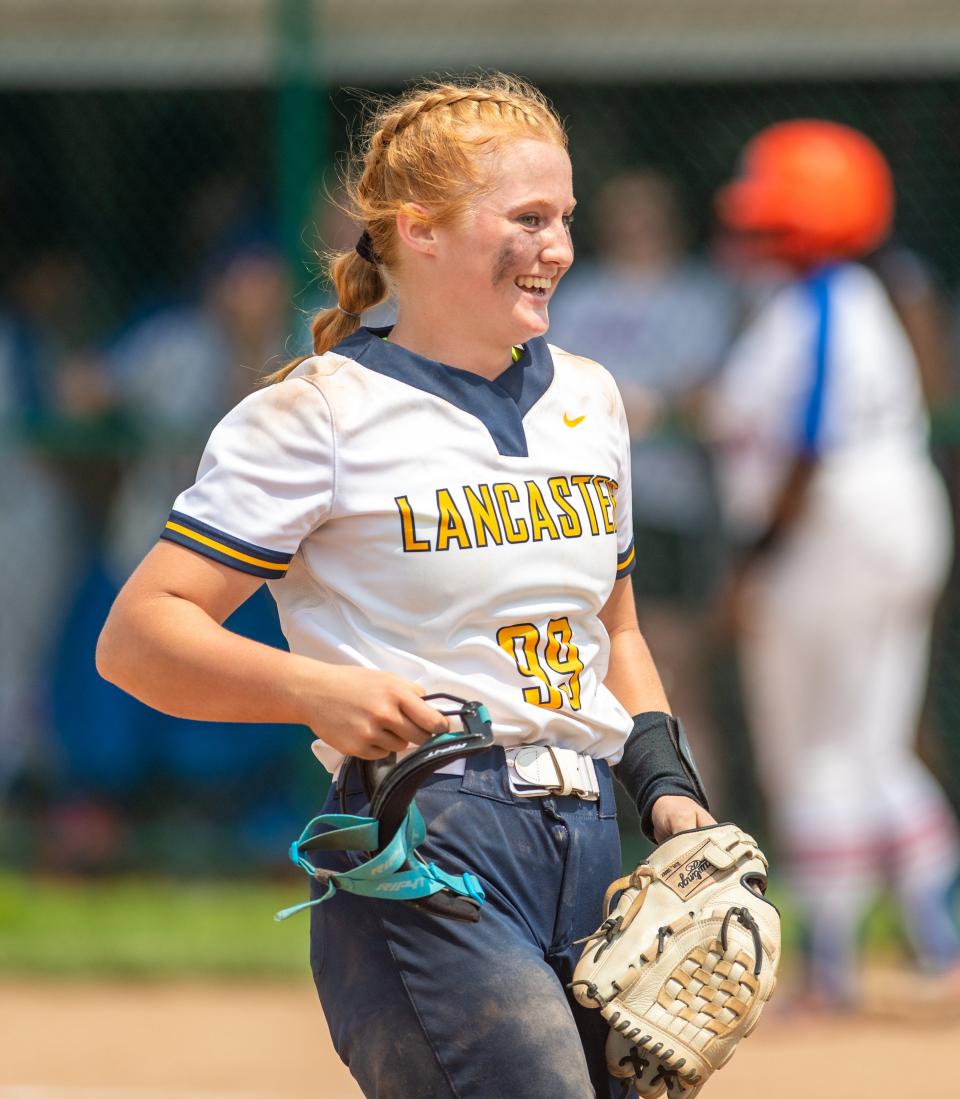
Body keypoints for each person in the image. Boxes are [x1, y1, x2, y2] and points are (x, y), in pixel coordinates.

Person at [96, 75, 714, 1098]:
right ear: (418, 230)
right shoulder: (321, 414)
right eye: (525, 219)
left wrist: (668, 784)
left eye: (565, 217)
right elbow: (140, 637)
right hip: (427, 841)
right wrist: (317, 691)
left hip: (586, 836)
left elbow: (615, 629)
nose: (557, 246)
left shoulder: (590, 398)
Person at [707, 119, 960, 1011]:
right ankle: (937, 931)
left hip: (832, 530)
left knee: (813, 750)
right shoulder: (856, 294)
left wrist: (752, 560)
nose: (748, 229)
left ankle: (830, 966)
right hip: (890, 517)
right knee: (870, 741)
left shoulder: (815, 301)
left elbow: (805, 444)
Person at [548, 170, 740, 804]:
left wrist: (643, 406)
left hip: (673, 504)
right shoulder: (579, 295)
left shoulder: (698, 294)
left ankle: (701, 820)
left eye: (648, 211)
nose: (636, 224)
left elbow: (707, 396)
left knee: (676, 672)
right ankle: (633, 818)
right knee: (596, 664)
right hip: (581, 507)